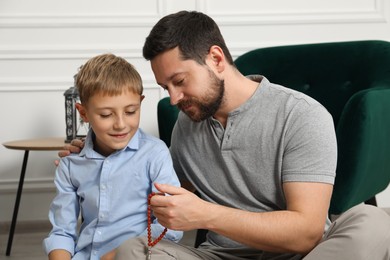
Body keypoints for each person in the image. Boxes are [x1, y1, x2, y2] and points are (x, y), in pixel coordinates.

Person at [60, 11, 390, 260]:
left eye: (180, 81)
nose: (173, 99)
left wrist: (206, 214)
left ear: (216, 59)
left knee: (373, 221)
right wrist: (99, 150)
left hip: (301, 256)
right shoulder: (186, 124)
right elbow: (149, 185)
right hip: (221, 256)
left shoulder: (301, 115)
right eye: (165, 88)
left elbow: (305, 234)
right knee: (134, 250)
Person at [44, 53, 182, 260]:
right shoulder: (71, 164)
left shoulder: (155, 154)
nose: (120, 124)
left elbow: (170, 226)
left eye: (130, 111)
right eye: (106, 115)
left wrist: (114, 256)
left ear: (140, 103)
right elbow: (62, 231)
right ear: (83, 113)